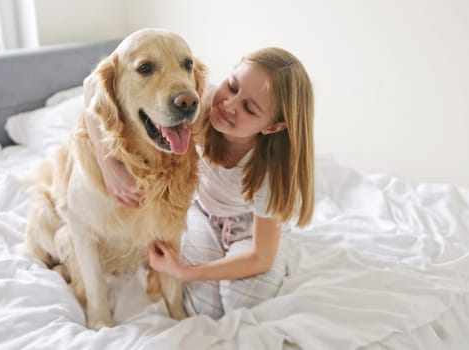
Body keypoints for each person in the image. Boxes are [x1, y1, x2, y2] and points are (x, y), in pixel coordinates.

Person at [83, 47, 315, 319]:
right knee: (204, 310)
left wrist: (185, 272)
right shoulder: (200, 104)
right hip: (201, 211)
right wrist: (108, 166)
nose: (228, 105)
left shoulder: (272, 174)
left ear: (272, 127)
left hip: (249, 227)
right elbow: (91, 86)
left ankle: (282, 243)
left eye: (249, 108)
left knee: (242, 306)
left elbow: (259, 257)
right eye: (232, 86)